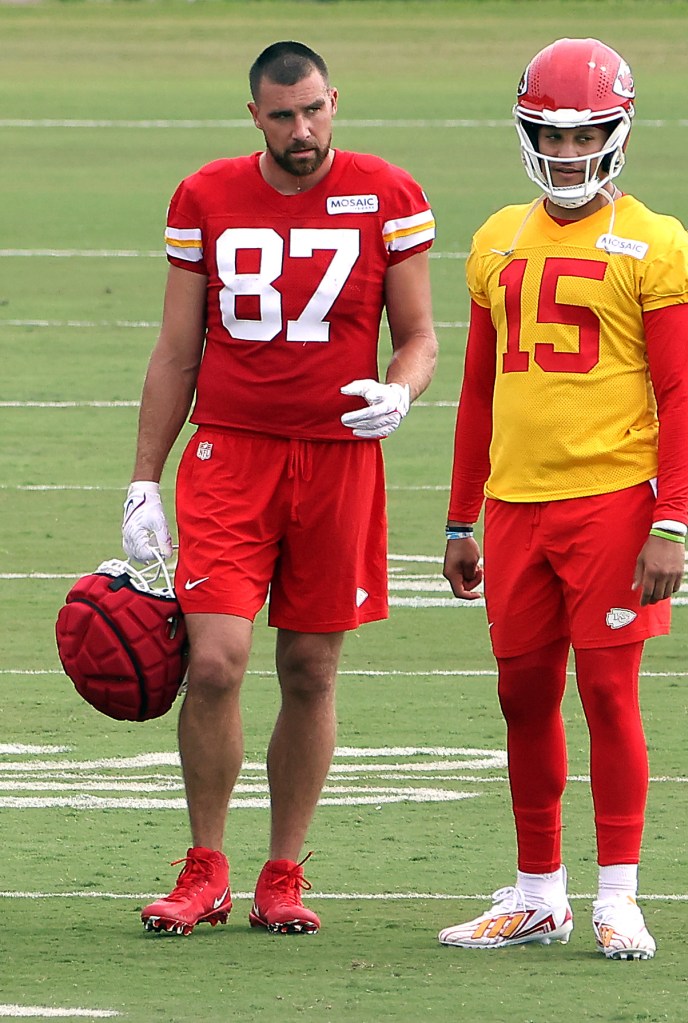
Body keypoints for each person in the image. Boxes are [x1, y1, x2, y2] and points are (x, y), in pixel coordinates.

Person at [121, 40, 437, 937]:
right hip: (231, 454)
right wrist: (145, 476)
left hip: (338, 461)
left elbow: (419, 335)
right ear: (253, 117)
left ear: (335, 100)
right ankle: (205, 864)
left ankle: (283, 871)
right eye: (283, 115)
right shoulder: (206, 196)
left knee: (309, 667)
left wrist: (398, 389)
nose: (304, 132)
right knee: (215, 660)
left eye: (315, 111)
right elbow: (178, 349)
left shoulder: (389, 193)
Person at [438, 38, 688, 959]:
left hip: (610, 502)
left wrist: (669, 518)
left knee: (605, 689)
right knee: (521, 694)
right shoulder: (496, 237)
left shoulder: (657, 243)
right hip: (514, 506)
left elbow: (681, 394)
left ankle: (619, 893)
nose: (565, 153)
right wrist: (459, 515)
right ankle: (537, 891)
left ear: (619, 131)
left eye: (583, 134)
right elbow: (479, 390)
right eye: (549, 136)